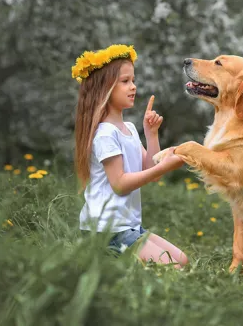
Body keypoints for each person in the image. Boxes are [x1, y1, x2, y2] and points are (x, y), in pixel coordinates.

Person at [72, 44, 188, 268]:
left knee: (183, 260)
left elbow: (150, 172)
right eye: (125, 81)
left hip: (128, 227)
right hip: (106, 230)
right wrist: (165, 166)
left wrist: (151, 134)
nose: (133, 87)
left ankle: (121, 260)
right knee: (175, 268)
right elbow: (120, 184)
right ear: (104, 88)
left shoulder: (129, 128)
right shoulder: (105, 134)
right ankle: (105, 256)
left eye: (133, 80)